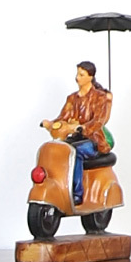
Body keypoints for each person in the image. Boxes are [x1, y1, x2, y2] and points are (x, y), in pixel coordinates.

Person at [42, 61, 113, 204]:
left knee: (75, 152)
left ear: (90, 77)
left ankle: (77, 193)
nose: (77, 77)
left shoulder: (100, 97)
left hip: (93, 140)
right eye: (77, 74)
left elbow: (99, 120)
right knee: (56, 150)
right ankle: (59, 186)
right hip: (75, 138)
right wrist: (50, 123)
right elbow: (63, 117)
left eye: (81, 74)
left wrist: (83, 128)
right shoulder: (72, 98)